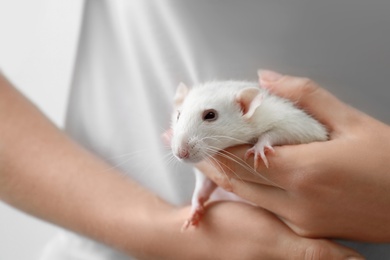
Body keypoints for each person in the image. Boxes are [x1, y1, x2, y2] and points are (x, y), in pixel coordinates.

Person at [1, 0, 389, 259]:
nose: (181, 148)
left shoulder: (261, 113)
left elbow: (288, 127)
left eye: (205, 119)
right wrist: (172, 232)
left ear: (246, 108)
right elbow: (208, 179)